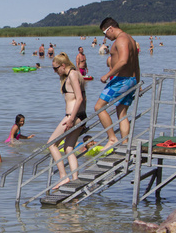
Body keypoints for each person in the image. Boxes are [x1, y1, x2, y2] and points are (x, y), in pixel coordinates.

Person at [95, 17, 140, 149]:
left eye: (105, 33)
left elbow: (123, 61)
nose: (105, 37)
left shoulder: (121, 40)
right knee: (121, 112)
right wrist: (137, 81)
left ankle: (112, 138)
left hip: (121, 81)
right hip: (131, 80)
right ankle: (125, 143)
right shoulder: (130, 39)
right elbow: (136, 65)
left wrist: (107, 75)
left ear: (111, 28)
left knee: (99, 107)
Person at [49, 52, 87, 188]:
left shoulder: (72, 75)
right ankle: (75, 178)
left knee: (51, 144)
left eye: (55, 68)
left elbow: (80, 98)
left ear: (63, 65)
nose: (55, 72)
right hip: (79, 115)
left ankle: (63, 176)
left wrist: (71, 119)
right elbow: (84, 98)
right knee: (68, 147)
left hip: (72, 115)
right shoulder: (76, 74)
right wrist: (83, 120)